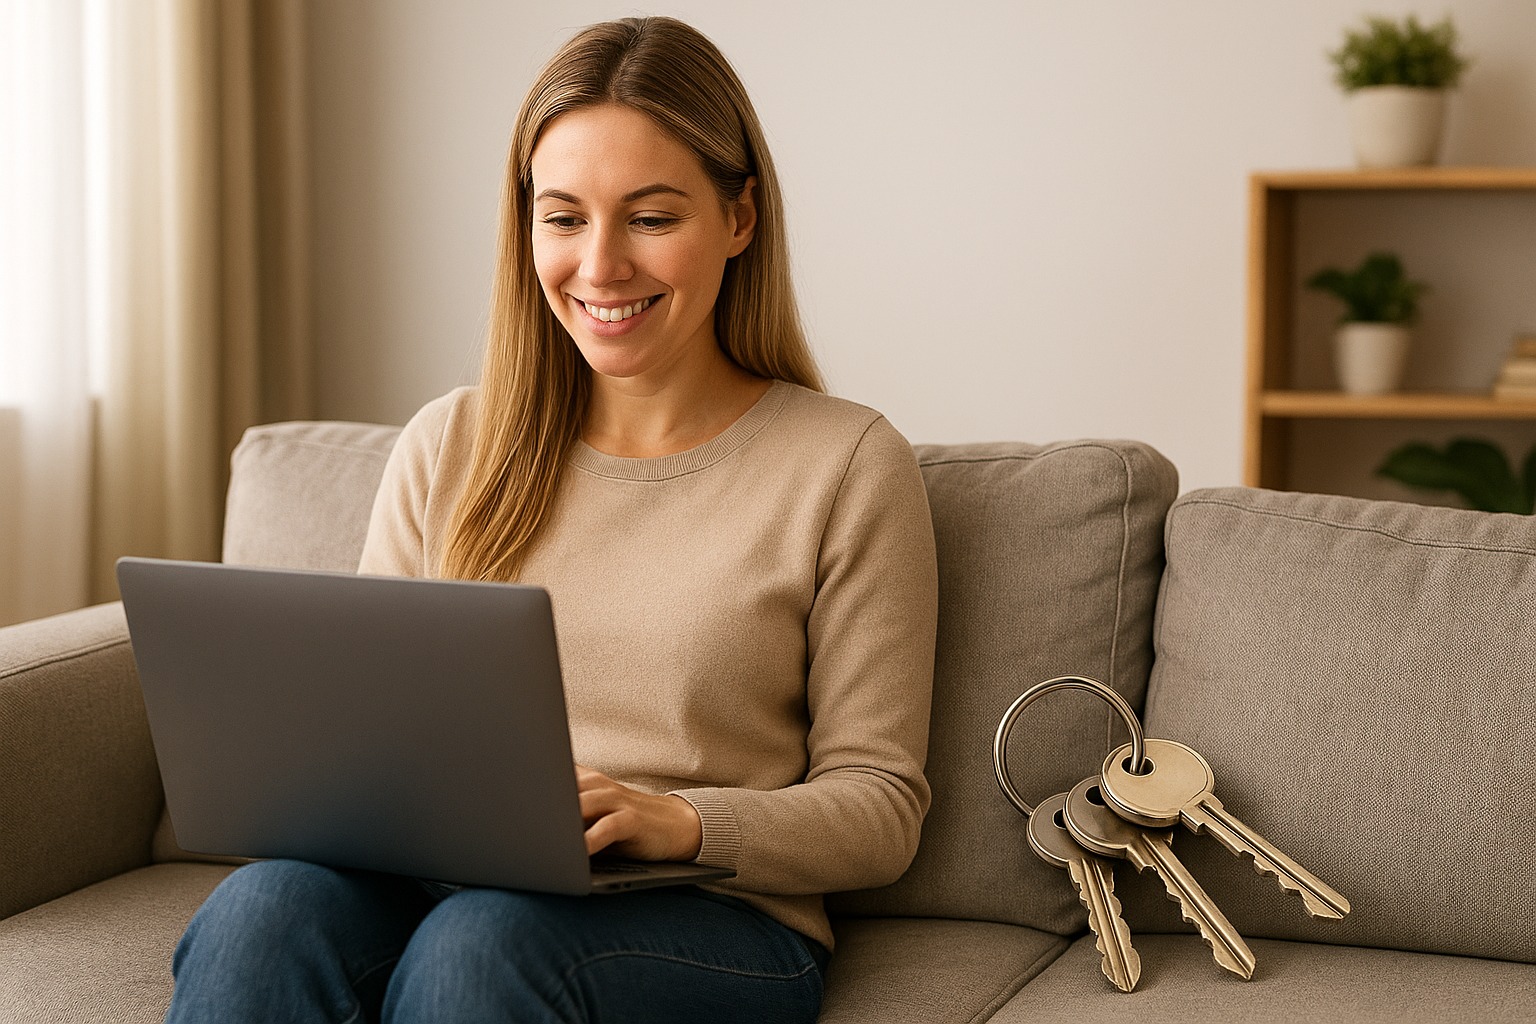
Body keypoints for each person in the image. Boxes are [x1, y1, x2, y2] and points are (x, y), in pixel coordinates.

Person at [163, 15, 937, 1024]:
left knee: (479, 945)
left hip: (710, 914)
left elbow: (881, 806)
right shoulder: (448, 443)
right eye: (563, 218)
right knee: (259, 911)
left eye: (650, 217)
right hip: (446, 885)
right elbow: (364, 743)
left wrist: (678, 820)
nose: (600, 265)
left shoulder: (846, 463)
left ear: (740, 217)